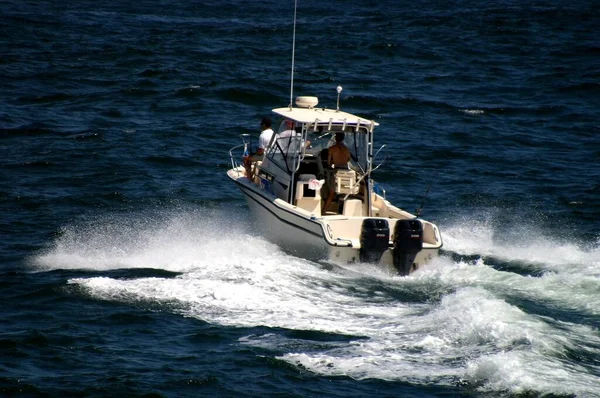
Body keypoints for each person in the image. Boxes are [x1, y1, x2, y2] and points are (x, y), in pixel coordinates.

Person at [322, 133, 351, 213]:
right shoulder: (346, 149)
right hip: (346, 172)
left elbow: (328, 163)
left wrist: (332, 162)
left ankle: (324, 211)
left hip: (337, 171)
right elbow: (348, 159)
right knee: (343, 191)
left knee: (331, 193)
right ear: (343, 139)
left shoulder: (331, 149)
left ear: (335, 138)